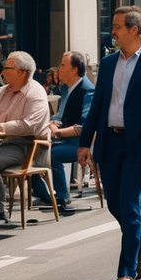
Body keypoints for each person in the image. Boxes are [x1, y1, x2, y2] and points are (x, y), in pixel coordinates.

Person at [78, 6, 141, 280]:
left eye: (118, 26)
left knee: (130, 206)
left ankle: (126, 273)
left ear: (134, 30)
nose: (113, 31)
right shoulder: (107, 64)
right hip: (109, 142)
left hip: (138, 146)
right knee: (115, 204)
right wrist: (85, 141)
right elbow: (97, 106)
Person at [0, 51, 50, 225]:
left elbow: (29, 126)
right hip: (5, 142)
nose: (2, 71)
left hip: (30, 146)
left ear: (21, 72)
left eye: (6, 68)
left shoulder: (36, 93)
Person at [35, 51, 93, 215]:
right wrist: (51, 121)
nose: (58, 68)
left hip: (81, 144)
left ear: (74, 70)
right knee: (32, 151)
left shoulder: (87, 90)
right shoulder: (67, 88)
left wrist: (57, 132)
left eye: (62, 65)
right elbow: (60, 116)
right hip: (64, 139)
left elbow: (83, 127)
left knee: (50, 155)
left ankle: (61, 198)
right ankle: (46, 196)